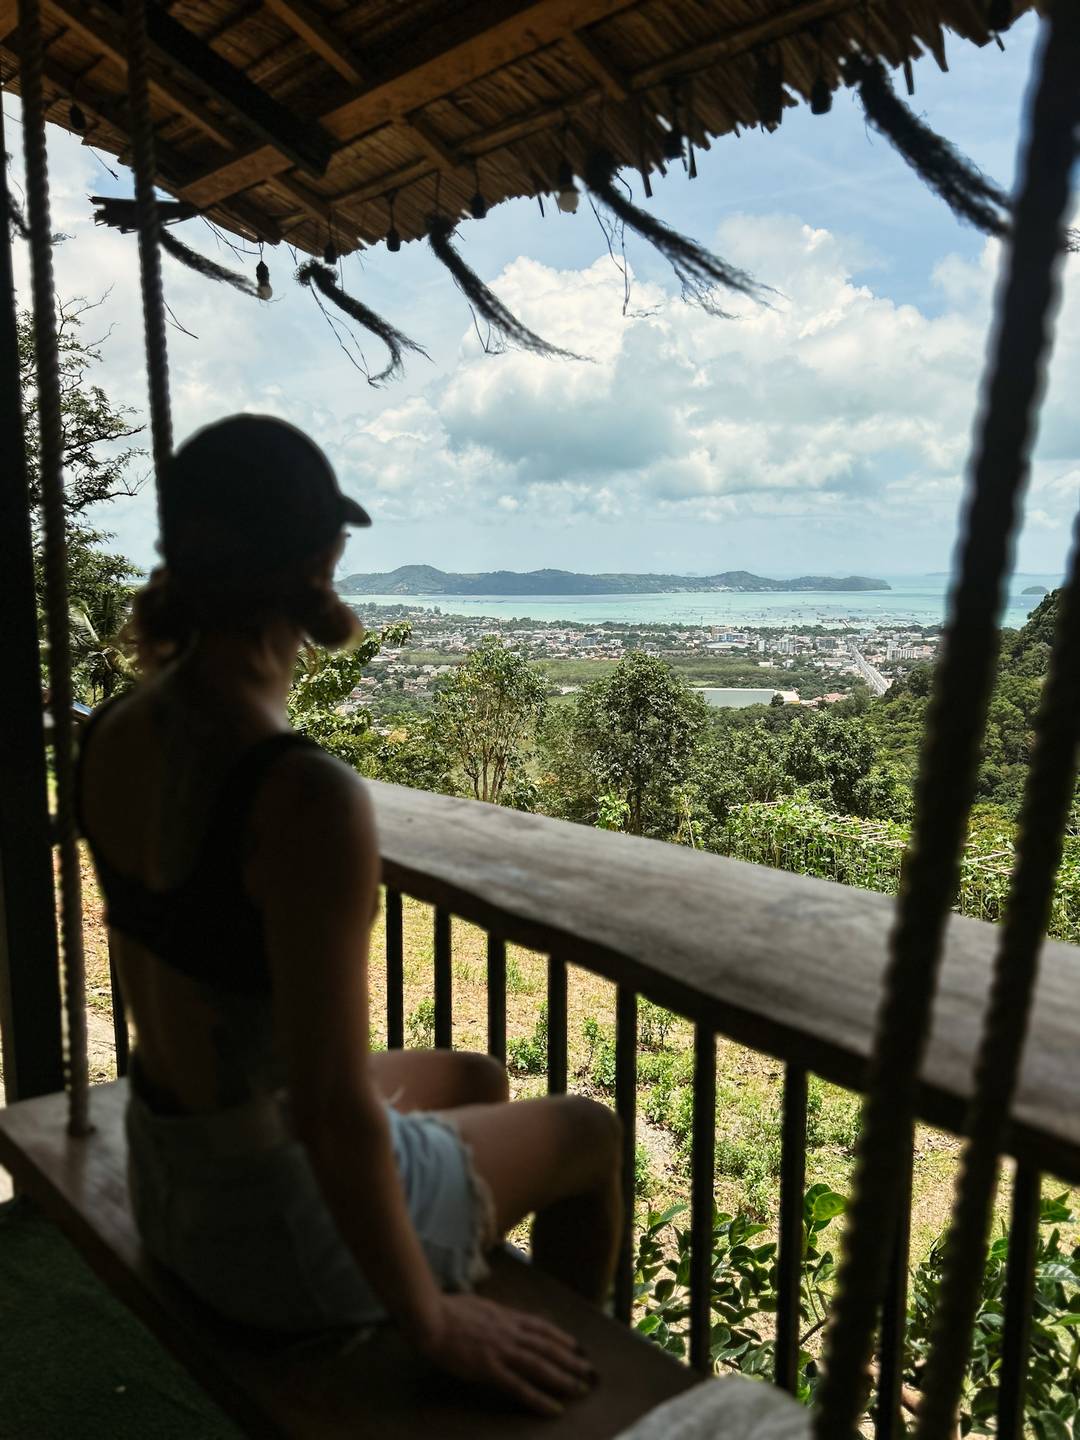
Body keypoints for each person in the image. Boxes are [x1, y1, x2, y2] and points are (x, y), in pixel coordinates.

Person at [76, 415, 621, 1417]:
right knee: (590, 1132)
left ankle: (451, 1265)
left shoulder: (111, 730)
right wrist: (431, 1320)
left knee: (474, 1076)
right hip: (272, 1237)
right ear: (323, 561)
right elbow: (329, 1111)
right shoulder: (301, 795)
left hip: (172, 1176)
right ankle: (514, 1370)